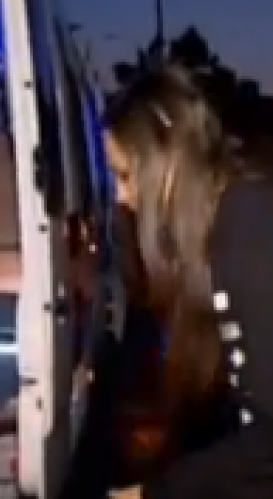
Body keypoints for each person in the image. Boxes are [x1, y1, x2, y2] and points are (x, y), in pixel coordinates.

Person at [105, 65, 273, 499]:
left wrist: (158, 492)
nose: (121, 196)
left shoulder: (250, 231)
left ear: (168, 165)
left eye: (125, 175)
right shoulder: (224, 230)